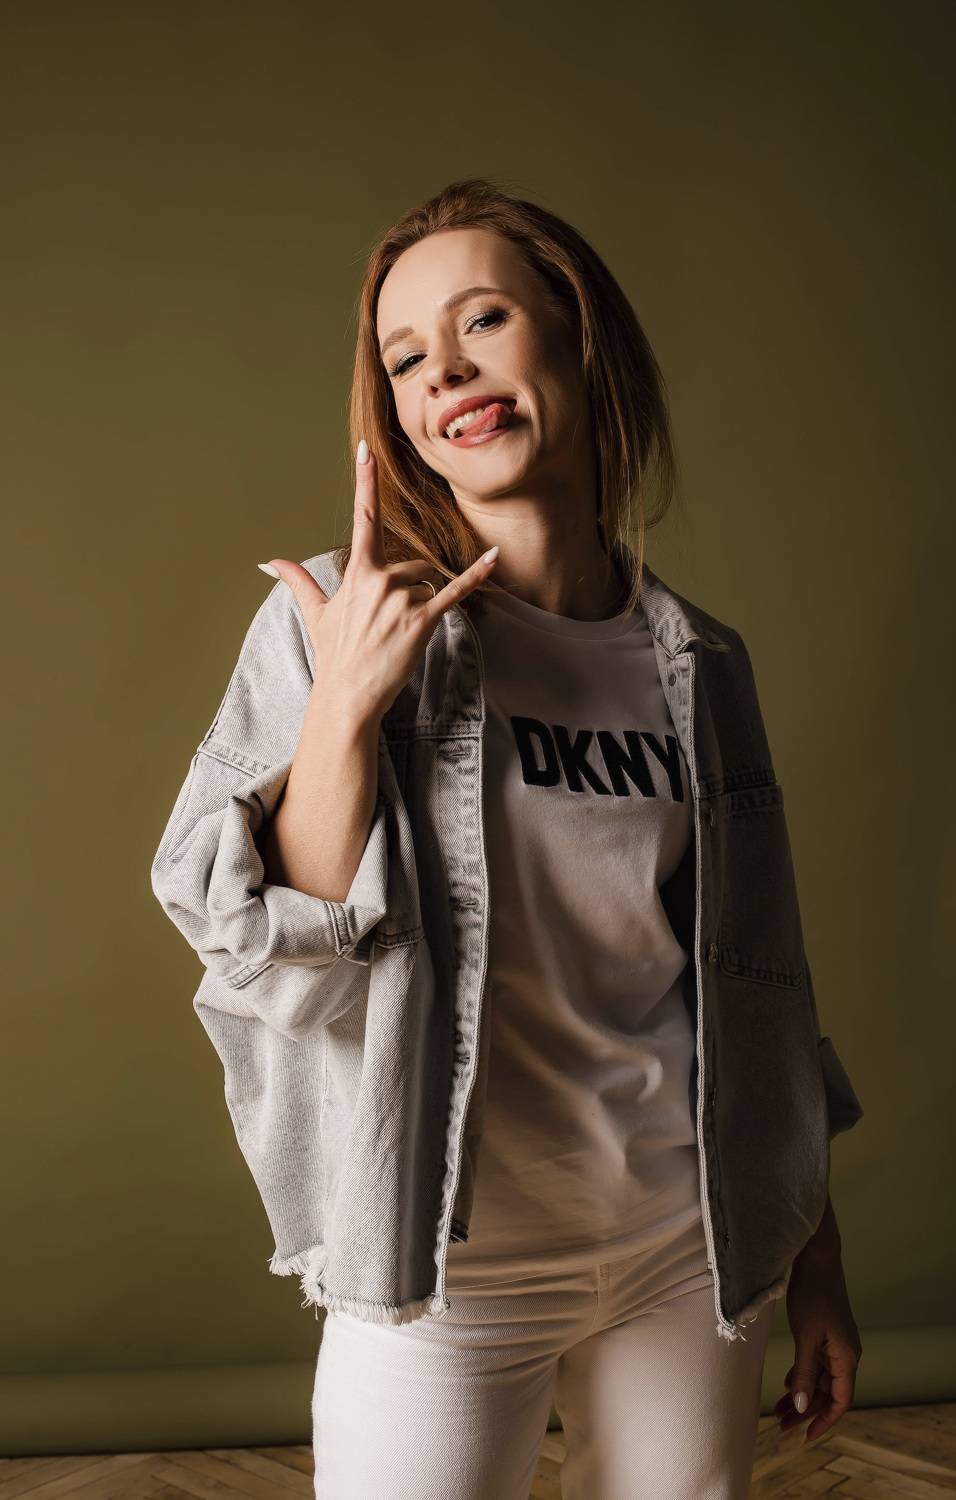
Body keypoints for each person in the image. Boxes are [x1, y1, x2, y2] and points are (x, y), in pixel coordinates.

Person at [151, 178, 864, 1499]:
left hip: (683, 1247)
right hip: (447, 1265)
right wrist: (346, 708)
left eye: (483, 320)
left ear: (582, 341)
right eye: (405, 358)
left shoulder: (703, 661)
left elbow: (759, 989)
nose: (445, 373)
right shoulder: (336, 618)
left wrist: (811, 1253)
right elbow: (277, 958)